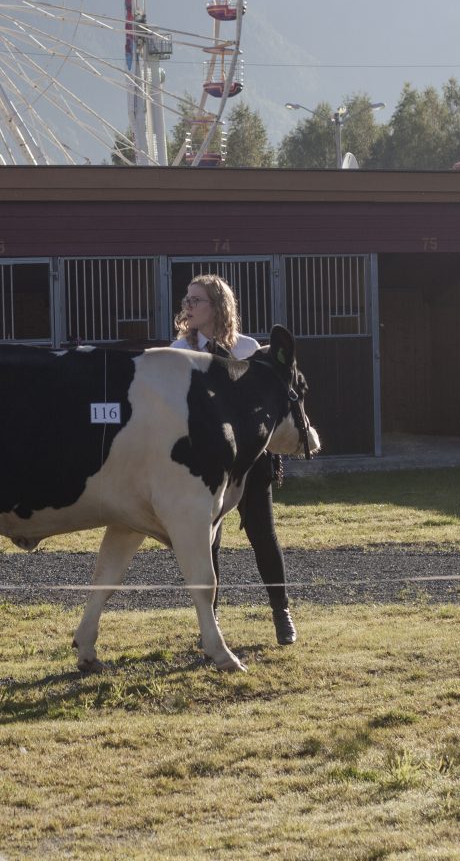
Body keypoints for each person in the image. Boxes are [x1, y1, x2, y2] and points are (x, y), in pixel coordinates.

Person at [170, 273, 296, 646]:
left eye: (196, 301)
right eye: (186, 301)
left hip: (252, 463)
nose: (188, 308)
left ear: (218, 306)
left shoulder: (248, 348)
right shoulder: (178, 352)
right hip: (206, 468)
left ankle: (281, 612)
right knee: (209, 544)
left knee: (262, 534)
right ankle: (212, 625)